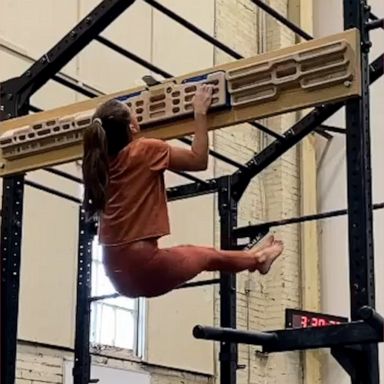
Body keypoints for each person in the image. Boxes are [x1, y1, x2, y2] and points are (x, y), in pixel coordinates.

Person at [81, 84, 284, 298]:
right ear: (133, 127)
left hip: (114, 273)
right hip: (143, 267)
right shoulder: (145, 150)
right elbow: (199, 160)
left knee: (198, 253)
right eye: (134, 114)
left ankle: (254, 258)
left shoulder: (98, 163)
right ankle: (257, 260)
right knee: (207, 256)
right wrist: (199, 113)